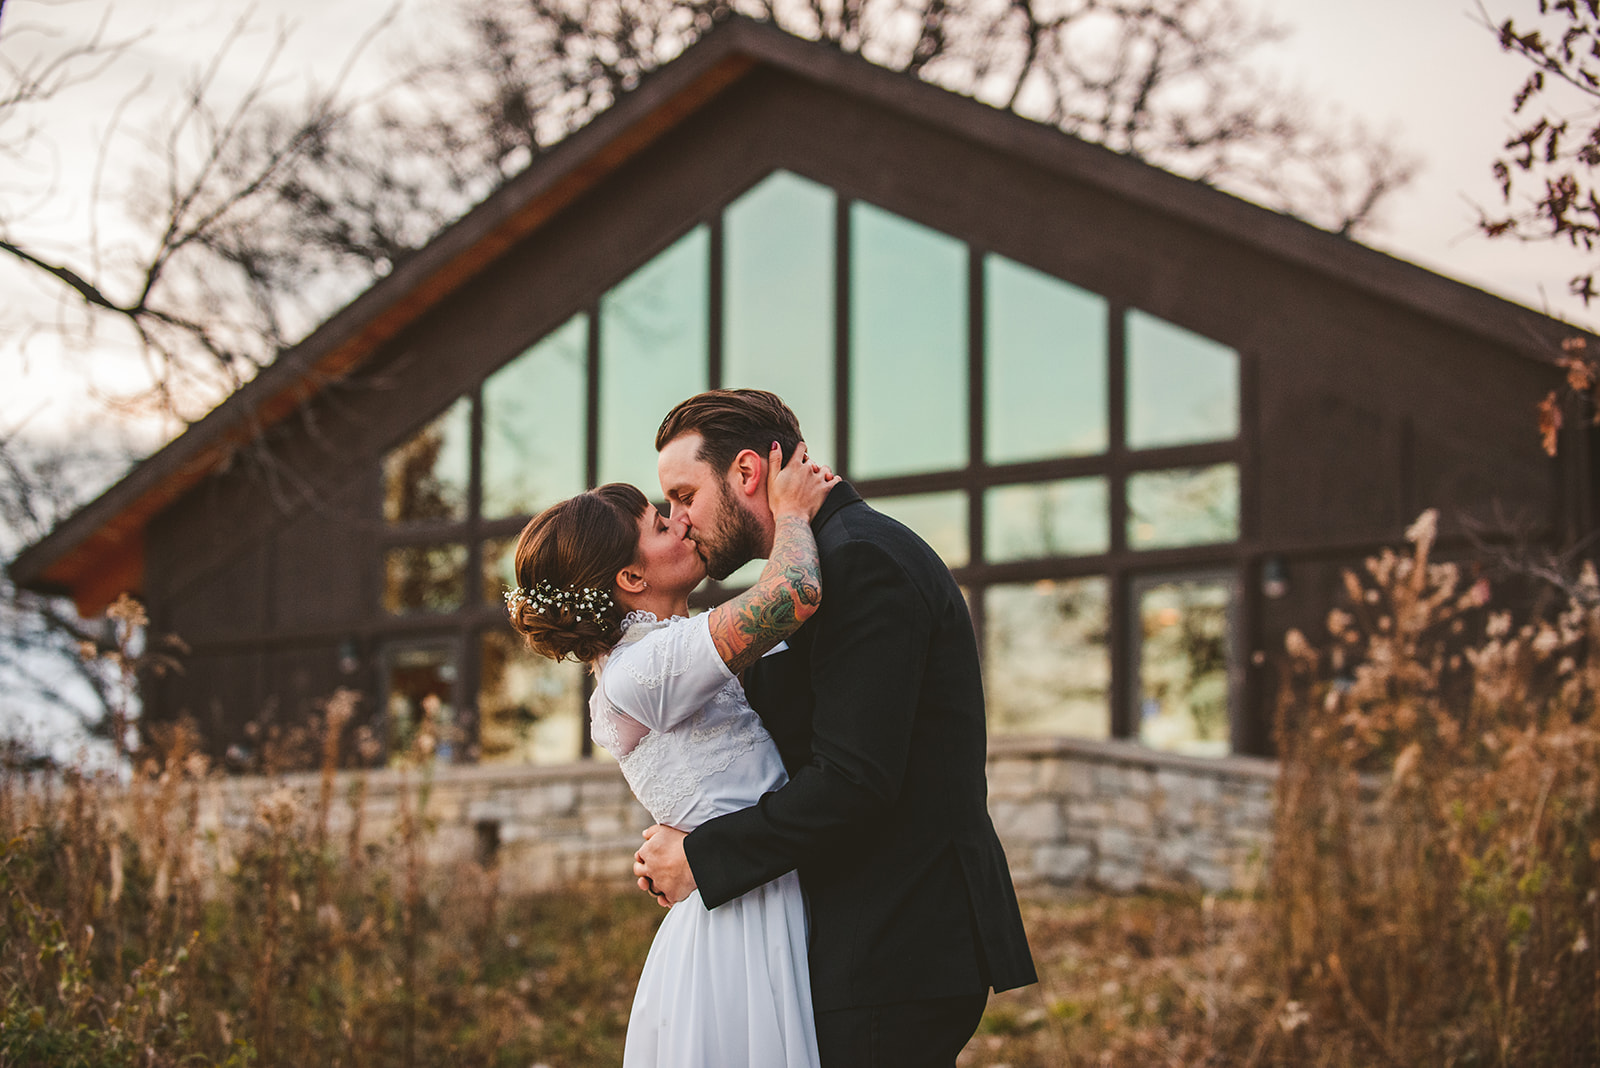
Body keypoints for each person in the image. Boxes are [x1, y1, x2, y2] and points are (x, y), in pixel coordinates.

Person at [634, 389, 1038, 1067]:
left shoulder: (862, 561)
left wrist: (701, 857)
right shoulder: (815, 565)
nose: (677, 521)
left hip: (893, 944)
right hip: (859, 943)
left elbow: (854, 781)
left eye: (682, 495)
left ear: (745, 473)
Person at [507, 442, 836, 1068]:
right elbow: (792, 591)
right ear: (631, 579)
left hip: (757, 883)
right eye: (661, 524)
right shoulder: (642, 669)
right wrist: (790, 513)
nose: (681, 519)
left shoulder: (672, 645)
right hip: (739, 921)